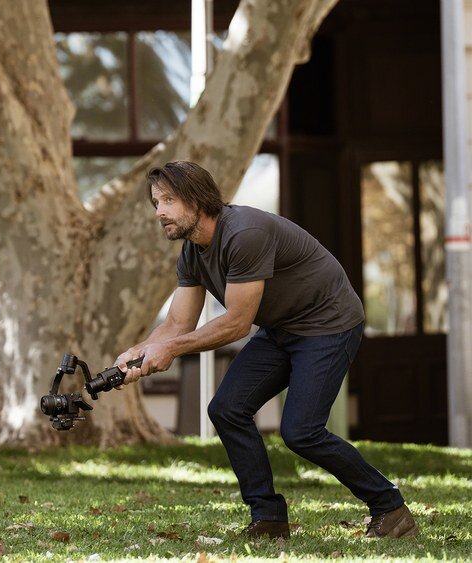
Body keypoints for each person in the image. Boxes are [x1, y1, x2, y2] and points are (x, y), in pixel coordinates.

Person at [114, 161, 417, 539]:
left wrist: (171, 350)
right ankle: (269, 518)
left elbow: (238, 323)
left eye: (169, 200)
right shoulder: (192, 251)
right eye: (156, 202)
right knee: (227, 408)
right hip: (283, 328)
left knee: (301, 431)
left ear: (197, 199)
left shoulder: (244, 234)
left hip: (329, 323)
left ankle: (390, 507)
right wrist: (138, 352)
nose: (159, 211)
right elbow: (177, 323)